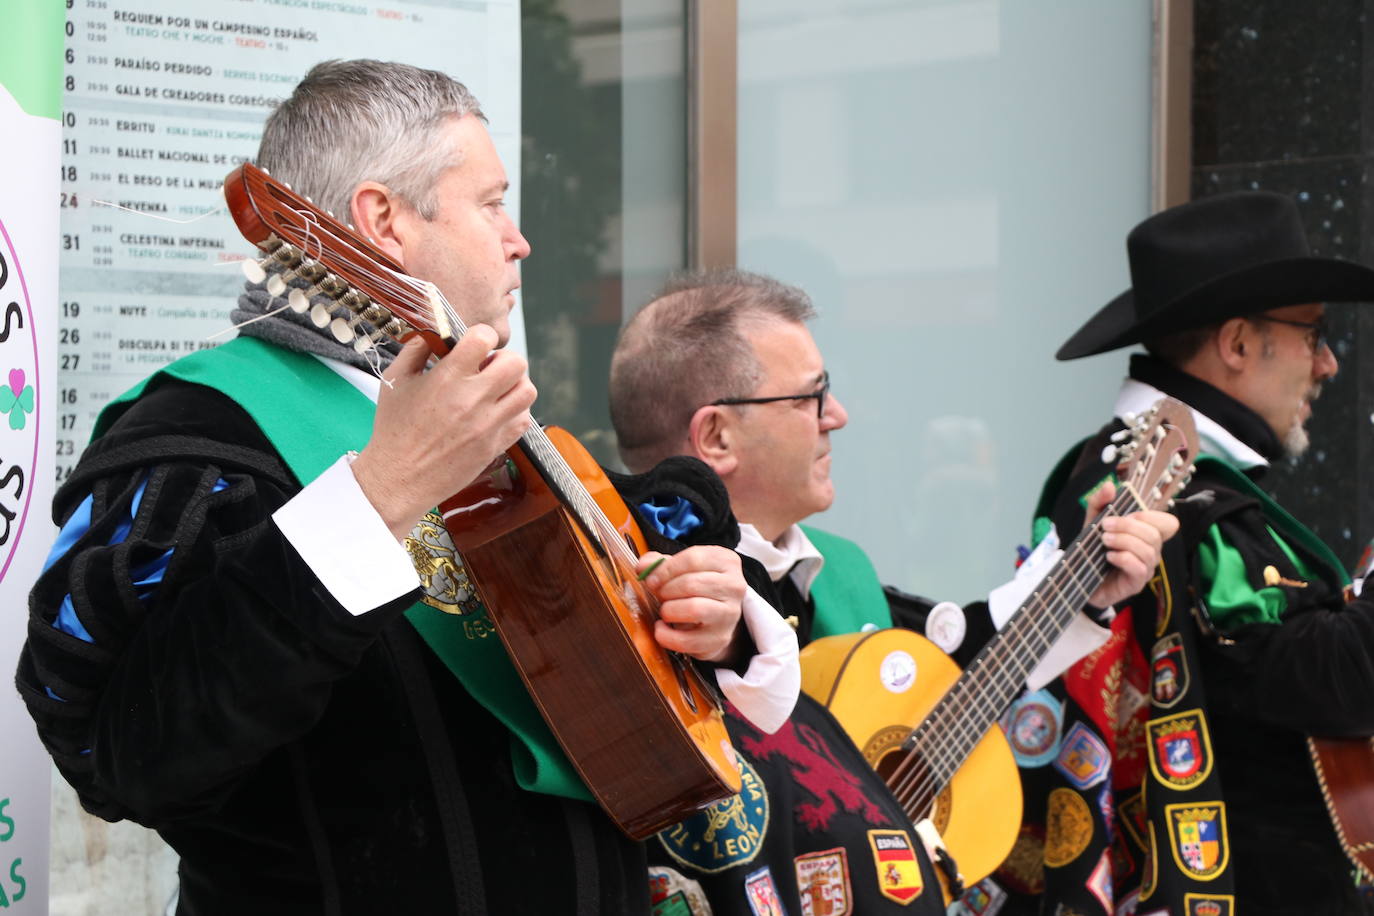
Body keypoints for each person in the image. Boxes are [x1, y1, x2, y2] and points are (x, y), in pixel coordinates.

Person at [15, 60, 798, 915]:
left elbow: (656, 550)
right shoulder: (199, 437)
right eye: (492, 202)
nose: (519, 239)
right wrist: (378, 495)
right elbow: (125, 749)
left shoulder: (488, 426)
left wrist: (715, 618)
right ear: (383, 222)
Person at [607, 268, 1177, 915]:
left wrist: (1081, 585)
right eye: (810, 397)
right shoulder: (638, 596)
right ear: (716, 436)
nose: (838, 417)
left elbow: (946, 673)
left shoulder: (835, 568)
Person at [1021, 190, 1374, 915]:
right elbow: (1328, 679)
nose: (1329, 364)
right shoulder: (1166, 498)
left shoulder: (1132, 471)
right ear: (1239, 344)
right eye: (1313, 333)